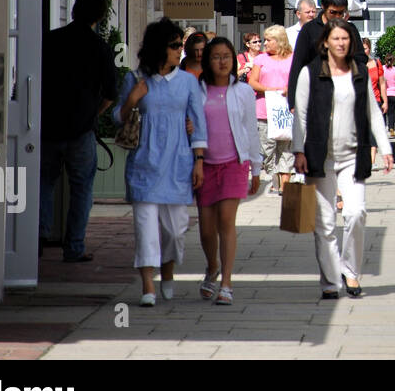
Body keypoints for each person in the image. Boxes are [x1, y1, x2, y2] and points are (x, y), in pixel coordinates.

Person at [294, 19, 392, 299]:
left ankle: (350, 271)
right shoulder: (310, 72)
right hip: (319, 156)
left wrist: (385, 148)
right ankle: (329, 280)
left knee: (355, 213)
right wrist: (298, 151)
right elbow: (300, 116)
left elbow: (373, 112)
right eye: (335, 38)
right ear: (325, 42)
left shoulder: (359, 72)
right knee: (324, 223)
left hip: (353, 154)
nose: (340, 43)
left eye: (345, 39)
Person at [115, 18, 208, 306]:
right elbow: (116, 117)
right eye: (175, 46)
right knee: (145, 229)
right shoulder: (136, 78)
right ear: (159, 47)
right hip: (144, 162)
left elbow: (199, 123)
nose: (180, 50)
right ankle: (147, 286)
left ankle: (167, 273)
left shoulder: (188, 82)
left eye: (181, 45)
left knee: (175, 229)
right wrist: (132, 98)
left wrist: (199, 161)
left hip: (178, 163)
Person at [39, 0, 117, 263]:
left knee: (43, 184)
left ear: (73, 10)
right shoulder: (100, 48)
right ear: (99, 17)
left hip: (47, 126)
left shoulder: (49, 41)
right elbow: (111, 93)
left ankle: (36, 240)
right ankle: (73, 247)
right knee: (82, 188)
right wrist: (93, 114)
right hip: (81, 130)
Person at [196, 37, 261, 305]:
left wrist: (256, 167)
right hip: (203, 164)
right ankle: (212, 267)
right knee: (206, 228)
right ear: (207, 61)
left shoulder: (243, 91)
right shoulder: (197, 90)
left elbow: (251, 130)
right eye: (216, 56)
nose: (222, 62)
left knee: (226, 221)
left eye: (226, 56)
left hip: (235, 162)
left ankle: (226, 281)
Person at [249, 24, 294, 194]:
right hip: (264, 110)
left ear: (279, 41)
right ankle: (275, 177)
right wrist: (269, 90)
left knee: (286, 148)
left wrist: (289, 89)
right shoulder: (261, 59)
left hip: (285, 111)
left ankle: (285, 184)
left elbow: (298, 79)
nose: (264, 43)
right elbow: (252, 81)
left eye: (268, 40)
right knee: (267, 150)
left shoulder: (292, 58)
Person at [287, 0, 349, 107]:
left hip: (343, 94)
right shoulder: (309, 29)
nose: (337, 16)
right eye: (333, 12)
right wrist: (293, 101)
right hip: (314, 93)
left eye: (341, 13)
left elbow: (361, 58)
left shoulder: (350, 30)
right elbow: (298, 64)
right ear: (324, 7)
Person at [382, 55, 395, 131]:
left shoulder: (382, 69)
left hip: (384, 94)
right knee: (391, 113)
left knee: (383, 112)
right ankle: (391, 128)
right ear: (393, 61)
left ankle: (382, 128)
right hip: (393, 94)